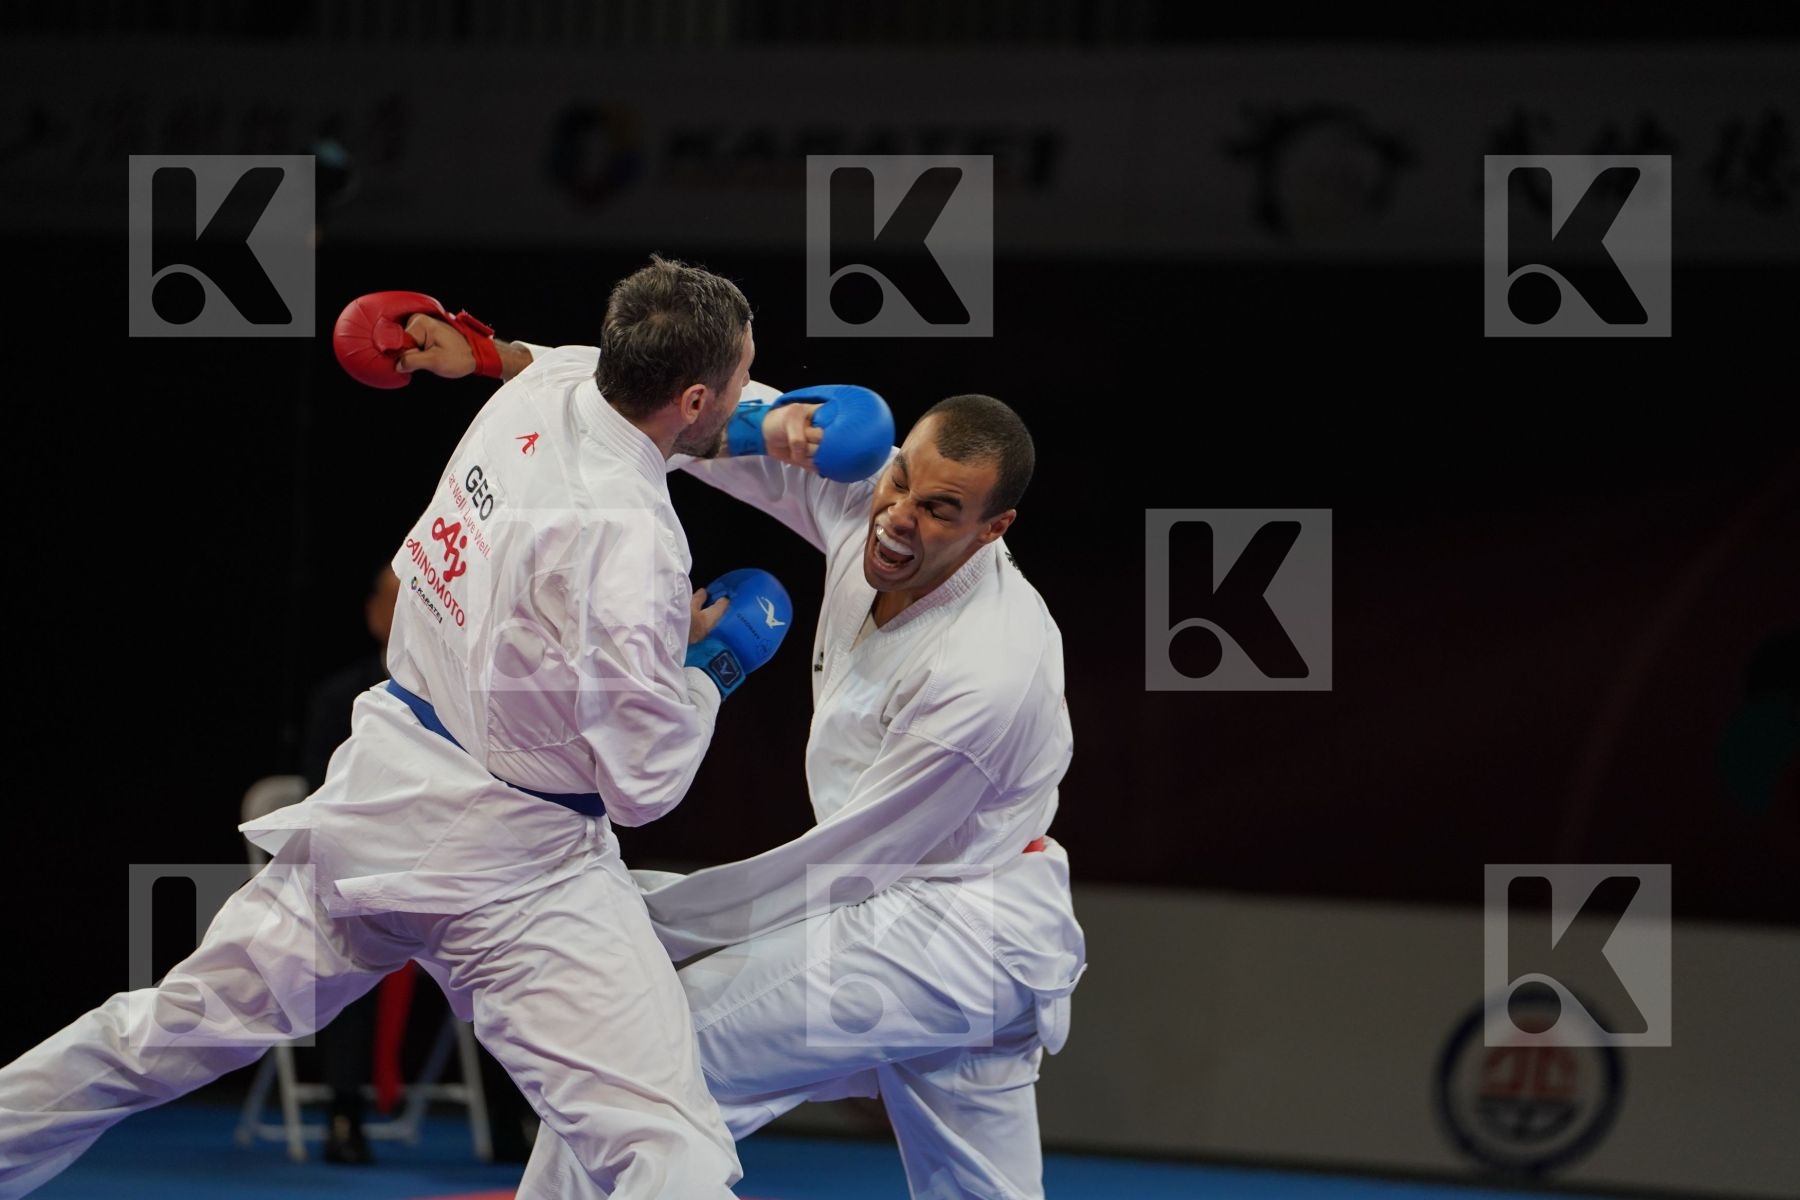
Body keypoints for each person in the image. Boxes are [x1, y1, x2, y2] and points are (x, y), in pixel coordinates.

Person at [0, 257, 799, 1198]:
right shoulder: (634, 544)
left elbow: (557, 362)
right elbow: (643, 782)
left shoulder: (549, 385)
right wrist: (711, 668)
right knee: (668, 1141)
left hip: (377, 804)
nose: (751, 397)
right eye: (744, 382)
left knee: (164, 1031)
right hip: (518, 874)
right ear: (697, 395)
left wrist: (483, 352)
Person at [402, 322, 1086, 1199]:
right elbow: (690, 406)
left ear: (996, 529)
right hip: (967, 925)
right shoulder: (867, 499)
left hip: (947, 925)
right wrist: (497, 355)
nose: (899, 516)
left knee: (645, 1064)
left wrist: (623, 916)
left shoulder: (989, 672)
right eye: (903, 479)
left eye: (941, 510)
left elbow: (841, 868)